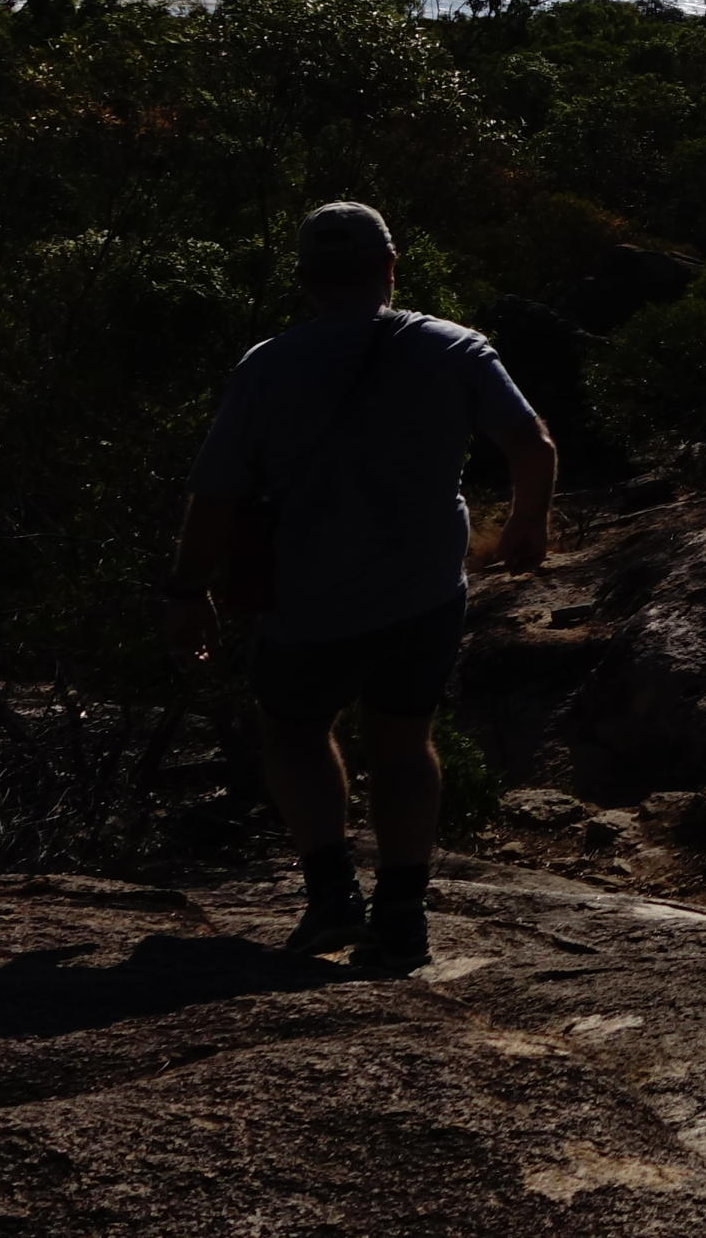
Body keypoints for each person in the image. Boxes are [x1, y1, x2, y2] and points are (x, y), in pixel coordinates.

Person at [158, 202, 556, 973]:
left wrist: (185, 591)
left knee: (296, 733)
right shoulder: (454, 347)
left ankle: (331, 898)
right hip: (423, 591)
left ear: (307, 279)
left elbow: (216, 495)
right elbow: (530, 442)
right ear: (390, 268)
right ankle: (401, 915)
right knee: (403, 741)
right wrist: (527, 523)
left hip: (304, 597)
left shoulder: (267, 365)